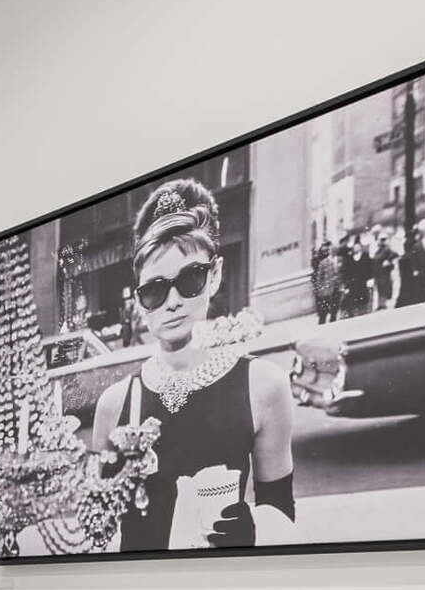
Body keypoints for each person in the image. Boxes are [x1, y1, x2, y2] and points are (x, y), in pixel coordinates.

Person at [84, 177, 296, 550]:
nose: (173, 302)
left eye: (190, 279)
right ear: (138, 300)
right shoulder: (115, 404)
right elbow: (98, 532)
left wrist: (255, 528)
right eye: (154, 289)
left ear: (214, 275)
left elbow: (281, 512)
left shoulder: (263, 386)